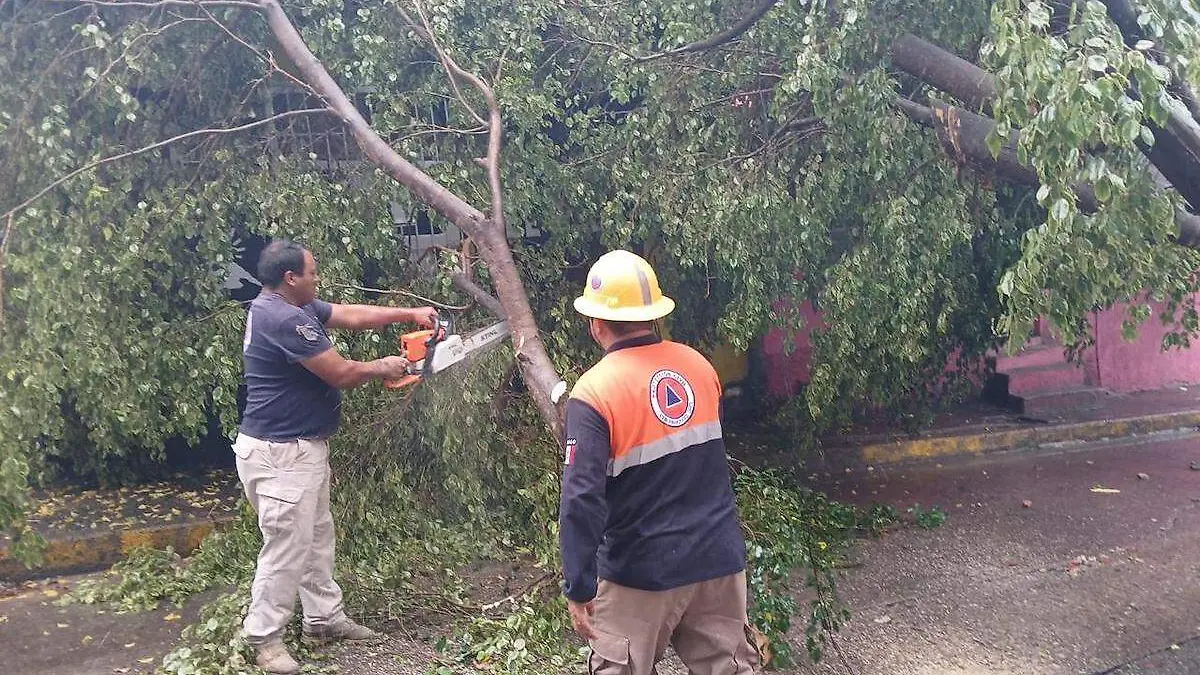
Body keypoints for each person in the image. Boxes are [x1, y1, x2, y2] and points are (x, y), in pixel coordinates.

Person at [233, 239, 436, 674]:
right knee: (286, 546)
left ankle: (323, 618)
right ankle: (264, 638)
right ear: (291, 278)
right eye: (312, 272)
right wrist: (384, 367)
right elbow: (341, 373)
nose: (317, 278)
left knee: (316, 536)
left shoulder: (291, 305)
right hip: (281, 453)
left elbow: (351, 314)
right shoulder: (283, 318)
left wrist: (409, 314)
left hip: (300, 448)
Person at [559, 249, 760, 675]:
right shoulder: (700, 367)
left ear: (595, 324)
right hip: (717, 562)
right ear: (653, 314)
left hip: (640, 573)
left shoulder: (594, 393)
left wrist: (579, 586)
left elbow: (581, 501)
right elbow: (703, 458)